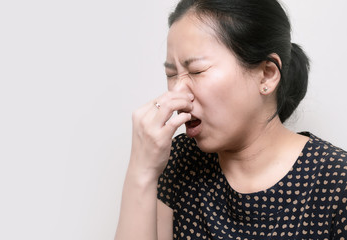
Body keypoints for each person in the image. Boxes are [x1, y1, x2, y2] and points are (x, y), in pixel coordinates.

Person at [115, 0, 347, 239]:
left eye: (196, 71)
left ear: (266, 75)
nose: (177, 93)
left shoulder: (338, 182)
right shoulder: (179, 161)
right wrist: (141, 171)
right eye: (171, 75)